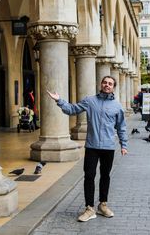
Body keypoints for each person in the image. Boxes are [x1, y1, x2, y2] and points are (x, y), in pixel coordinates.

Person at [47, 75, 128, 222]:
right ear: (101, 84)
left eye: (110, 83)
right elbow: (72, 109)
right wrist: (59, 100)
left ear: (113, 87)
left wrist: (124, 145)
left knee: (105, 176)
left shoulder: (117, 106)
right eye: (105, 82)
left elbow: (121, 127)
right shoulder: (90, 101)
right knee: (89, 176)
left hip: (109, 147)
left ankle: (103, 205)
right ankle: (89, 208)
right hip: (92, 146)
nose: (107, 85)